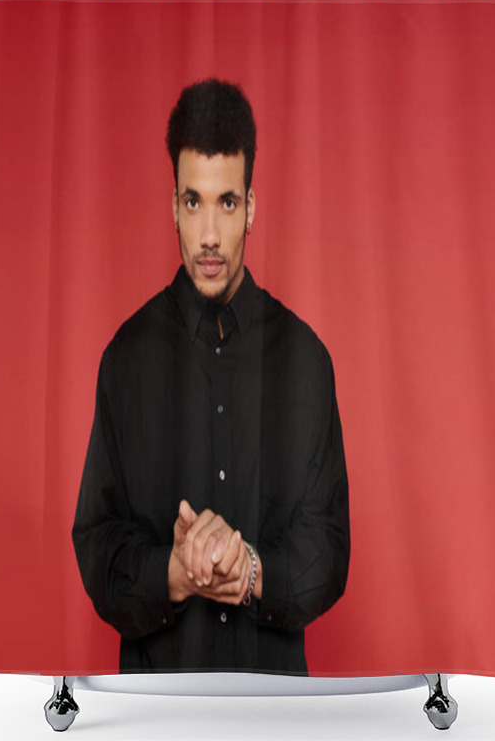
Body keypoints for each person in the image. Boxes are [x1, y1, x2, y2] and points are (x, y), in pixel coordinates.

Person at [71, 78, 350, 675]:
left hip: (275, 714)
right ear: (172, 204)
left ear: (250, 207)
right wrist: (171, 575)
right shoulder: (125, 358)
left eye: (226, 203)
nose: (208, 237)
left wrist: (251, 572)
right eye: (192, 202)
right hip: (154, 714)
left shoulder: (305, 359)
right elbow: (95, 541)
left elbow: (329, 547)